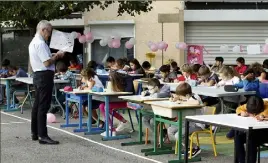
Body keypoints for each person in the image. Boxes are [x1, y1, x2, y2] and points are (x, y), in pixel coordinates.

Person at [29, 20, 65, 145]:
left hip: (38, 75)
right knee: (43, 106)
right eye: (48, 32)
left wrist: (52, 54)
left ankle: (35, 132)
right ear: (43, 30)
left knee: (37, 105)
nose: (49, 35)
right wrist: (58, 56)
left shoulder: (34, 42)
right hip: (44, 76)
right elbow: (47, 62)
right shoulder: (40, 43)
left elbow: (43, 58)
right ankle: (43, 135)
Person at [168, 82, 204, 158]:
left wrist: (181, 101)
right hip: (187, 121)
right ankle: (188, 146)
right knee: (170, 130)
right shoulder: (186, 97)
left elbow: (196, 102)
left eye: (181, 96)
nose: (180, 97)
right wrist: (175, 98)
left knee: (178, 135)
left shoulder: (195, 97)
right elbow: (181, 98)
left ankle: (195, 148)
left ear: (187, 95)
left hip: (197, 123)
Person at [99, 71, 134, 136]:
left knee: (107, 107)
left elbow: (128, 92)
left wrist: (118, 90)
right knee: (101, 106)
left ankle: (122, 123)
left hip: (126, 101)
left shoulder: (127, 80)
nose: (110, 80)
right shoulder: (115, 82)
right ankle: (111, 128)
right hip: (117, 100)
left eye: (111, 79)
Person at [234, 96, 268, 163]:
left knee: (251, 138)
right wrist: (241, 113)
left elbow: (266, 112)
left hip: (266, 132)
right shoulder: (249, 105)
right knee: (238, 136)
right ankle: (242, 161)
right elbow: (239, 108)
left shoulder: (266, 105)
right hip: (256, 131)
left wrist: (263, 115)